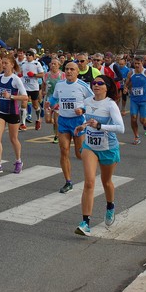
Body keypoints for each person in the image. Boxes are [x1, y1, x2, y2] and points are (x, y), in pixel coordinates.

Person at [74, 75, 125, 235]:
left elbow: (120, 128)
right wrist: (83, 126)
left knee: (106, 181)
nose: (95, 85)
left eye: (100, 83)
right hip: (90, 146)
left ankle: (110, 205)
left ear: (107, 87)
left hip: (108, 148)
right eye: (94, 83)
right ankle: (85, 222)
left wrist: (101, 126)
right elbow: (90, 120)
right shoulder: (88, 101)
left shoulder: (111, 105)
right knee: (89, 182)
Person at [45, 61, 94, 193]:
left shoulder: (82, 85)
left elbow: (94, 100)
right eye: (66, 69)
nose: (69, 71)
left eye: (72, 69)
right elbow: (55, 98)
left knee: (79, 154)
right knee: (64, 150)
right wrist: (49, 103)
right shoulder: (60, 84)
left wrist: (83, 110)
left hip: (77, 122)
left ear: (77, 72)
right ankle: (68, 181)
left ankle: (91, 174)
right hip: (63, 121)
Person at [0, 53, 28, 174]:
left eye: (6, 63)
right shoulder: (0, 77)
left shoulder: (16, 79)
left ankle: (18, 161)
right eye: (2, 63)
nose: (3, 65)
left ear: (12, 65)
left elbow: (25, 97)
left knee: (13, 139)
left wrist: (11, 96)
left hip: (12, 112)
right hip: (1, 111)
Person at [124, 56, 146, 145]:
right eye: (135, 63)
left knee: (143, 121)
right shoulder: (131, 73)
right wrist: (126, 88)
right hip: (134, 99)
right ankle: (136, 136)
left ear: (142, 63)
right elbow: (127, 83)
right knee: (133, 118)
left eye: (139, 63)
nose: (137, 65)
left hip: (144, 99)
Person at [42, 58, 65, 144]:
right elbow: (43, 84)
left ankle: (57, 136)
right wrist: (43, 91)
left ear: (59, 65)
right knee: (48, 120)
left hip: (59, 100)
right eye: (52, 64)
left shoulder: (63, 75)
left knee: (56, 120)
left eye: (55, 64)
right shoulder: (46, 75)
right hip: (48, 99)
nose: (53, 65)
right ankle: (56, 125)